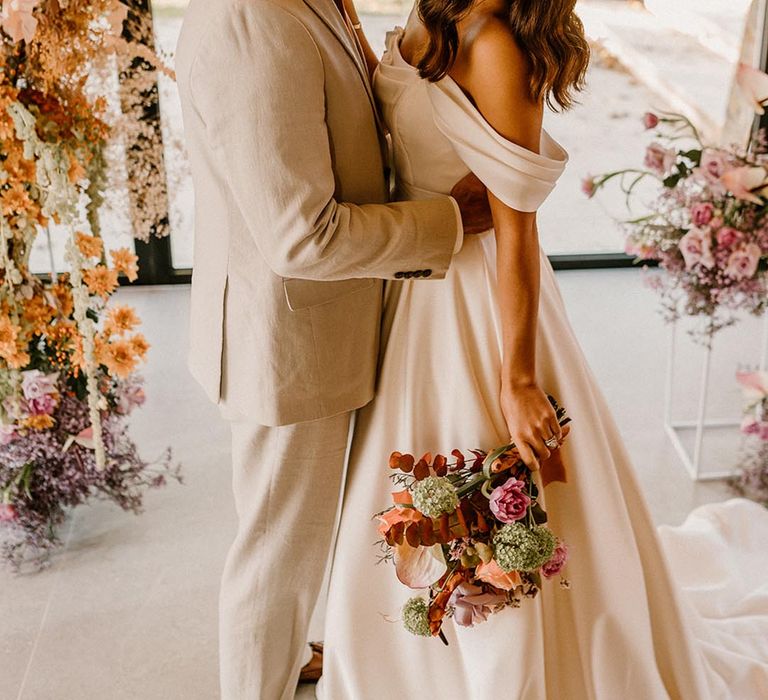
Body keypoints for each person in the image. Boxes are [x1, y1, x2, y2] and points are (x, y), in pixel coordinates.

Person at [319, 1, 768, 698]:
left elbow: (515, 231)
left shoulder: (497, 45)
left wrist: (519, 377)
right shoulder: (435, 9)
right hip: (414, 284)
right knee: (420, 484)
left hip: (476, 295)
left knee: (486, 491)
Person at [174, 0, 495, 697]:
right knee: (276, 553)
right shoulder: (252, 20)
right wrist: (448, 221)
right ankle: (257, 682)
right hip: (286, 338)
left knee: (294, 539)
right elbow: (302, 236)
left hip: (317, 321)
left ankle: (284, 656)